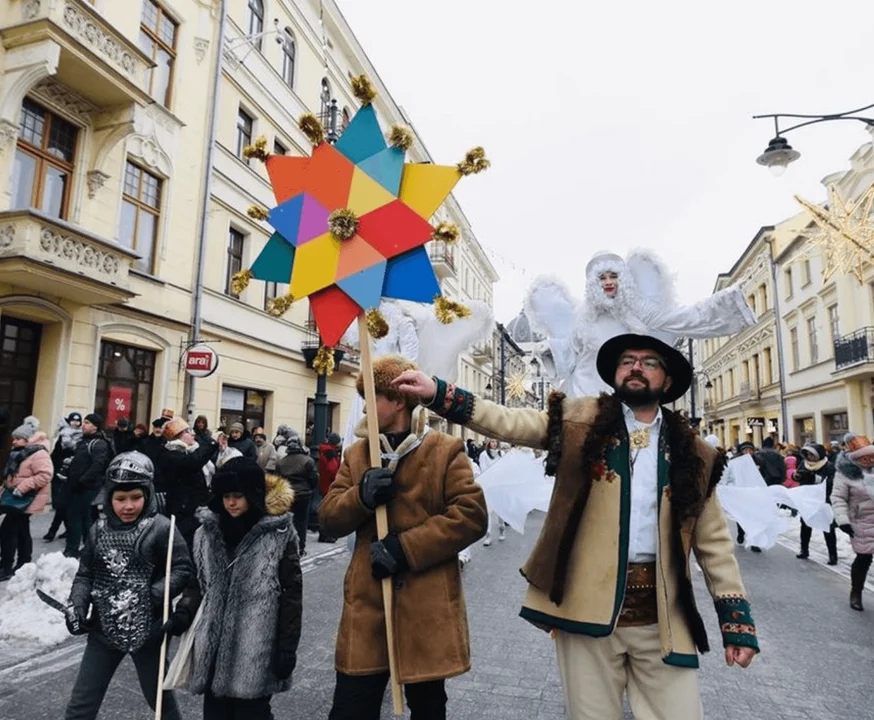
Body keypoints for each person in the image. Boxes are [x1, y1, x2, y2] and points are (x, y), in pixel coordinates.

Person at [394, 333, 758, 719]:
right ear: (615, 374)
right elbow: (511, 422)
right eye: (627, 360)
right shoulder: (580, 421)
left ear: (667, 381)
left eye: (649, 362)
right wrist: (438, 393)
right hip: (587, 610)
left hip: (662, 617)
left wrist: (736, 623)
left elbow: (714, 543)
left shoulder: (694, 453)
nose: (635, 367)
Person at [319, 354, 488, 720]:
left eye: (372, 397)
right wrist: (360, 497)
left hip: (426, 610)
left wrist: (406, 548)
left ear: (397, 400)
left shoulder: (445, 451)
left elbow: (471, 516)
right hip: (366, 611)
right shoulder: (357, 454)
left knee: (428, 710)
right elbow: (328, 520)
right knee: (350, 710)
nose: (365, 407)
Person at [63, 451, 194, 720]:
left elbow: (182, 568)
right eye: (120, 499)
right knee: (81, 704)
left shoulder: (161, 528)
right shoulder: (97, 530)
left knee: (159, 700)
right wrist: (77, 605)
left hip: (149, 631)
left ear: (148, 494)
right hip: (102, 630)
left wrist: (152, 595)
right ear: (109, 497)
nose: (128, 506)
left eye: (136, 497)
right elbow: (85, 574)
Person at [524, 251, 756, 398]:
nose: (607, 282)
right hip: (585, 393)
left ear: (622, 279)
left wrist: (725, 302)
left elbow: (680, 318)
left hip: (625, 392)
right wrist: (550, 349)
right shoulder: (583, 316)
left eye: (613, 276)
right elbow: (571, 351)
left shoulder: (638, 309)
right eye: (601, 278)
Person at [186, 457, 302, 719]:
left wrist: (287, 647)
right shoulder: (207, 532)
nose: (231, 502)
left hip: (255, 649)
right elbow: (198, 581)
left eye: (238, 495)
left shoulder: (278, 534)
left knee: (253, 714)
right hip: (213, 649)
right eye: (226, 495)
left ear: (253, 493)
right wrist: (184, 611)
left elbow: (292, 594)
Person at [0, 418, 52, 580]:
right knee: (22, 530)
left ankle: (6, 566)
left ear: (28, 439)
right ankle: (24, 562)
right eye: (13, 439)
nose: (14, 442)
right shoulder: (20, 453)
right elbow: (12, 476)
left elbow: (45, 475)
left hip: (27, 498)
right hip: (16, 498)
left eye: (18, 439)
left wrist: (21, 488)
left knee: (7, 531)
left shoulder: (38, 453)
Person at [158, 417, 218, 547]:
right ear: (177, 437)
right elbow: (193, 463)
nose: (192, 434)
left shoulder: (187, 451)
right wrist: (212, 443)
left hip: (195, 509)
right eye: (187, 431)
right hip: (182, 510)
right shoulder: (171, 454)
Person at [831, 434, 874, 611]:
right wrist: (843, 521)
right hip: (860, 521)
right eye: (864, 457)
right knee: (864, 557)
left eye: (871, 456)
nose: (868, 460)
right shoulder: (845, 475)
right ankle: (856, 592)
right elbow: (838, 498)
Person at [64, 414, 112, 559]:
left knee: (74, 517)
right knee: (85, 518)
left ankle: (72, 549)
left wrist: (82, 481)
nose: (83, 425)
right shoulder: (84, 441)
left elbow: (98, 465)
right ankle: (90, 547)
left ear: (95, 426)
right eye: (83, 422)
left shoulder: (99, 444)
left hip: (87, 487)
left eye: (87, 422)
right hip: (76, 485)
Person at [794, 443, 837, 564]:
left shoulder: (828, 466)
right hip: (807, 500)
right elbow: (798, 476)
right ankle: (804, 550)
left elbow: (832, 482)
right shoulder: (804, 464)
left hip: (823, 500)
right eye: (808, 454)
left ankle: (833, 555)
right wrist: (796, 476)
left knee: (827, 527)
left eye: (812, 454)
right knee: (805, 525)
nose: (809, 456)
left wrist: (817, 479)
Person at [276, 435, 318, 557]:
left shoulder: (281, 462)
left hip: (288, 494)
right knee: (302, 522)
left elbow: (278, 480)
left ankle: (288, 547)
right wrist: (309, 488)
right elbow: (313, 478)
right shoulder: (307, 461)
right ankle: (300, 547)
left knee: (289, 522)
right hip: (303, 494)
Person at [44, 412, 83, 542]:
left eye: (78, 421)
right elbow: (56, 453)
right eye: (73, 421)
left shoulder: (81, 438)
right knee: (61, 504)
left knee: (63, 505)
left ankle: (53, 531)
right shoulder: (63, 436)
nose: (75, 423)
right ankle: (64, 530)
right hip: (59, 472)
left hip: (70, 475)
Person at [478, 439, 507, 546]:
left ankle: (502, 529)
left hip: (499, 486)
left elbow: (504, 469)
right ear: (488, 443)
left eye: (496, 441)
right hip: (488, 485)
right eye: (492, 441)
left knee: (500, 511)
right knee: (488, 512)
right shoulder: (483, 455)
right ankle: (488, 536)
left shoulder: (502, 454)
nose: (494, 443)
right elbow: (483, 469)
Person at [317, 432, 342, 543]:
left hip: (323, 484)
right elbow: (332, 470)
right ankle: (326, 534)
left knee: (324, 510)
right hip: (329, 485)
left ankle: (323, 534)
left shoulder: (324, 450)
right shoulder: (330, 452)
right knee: (328, 511)